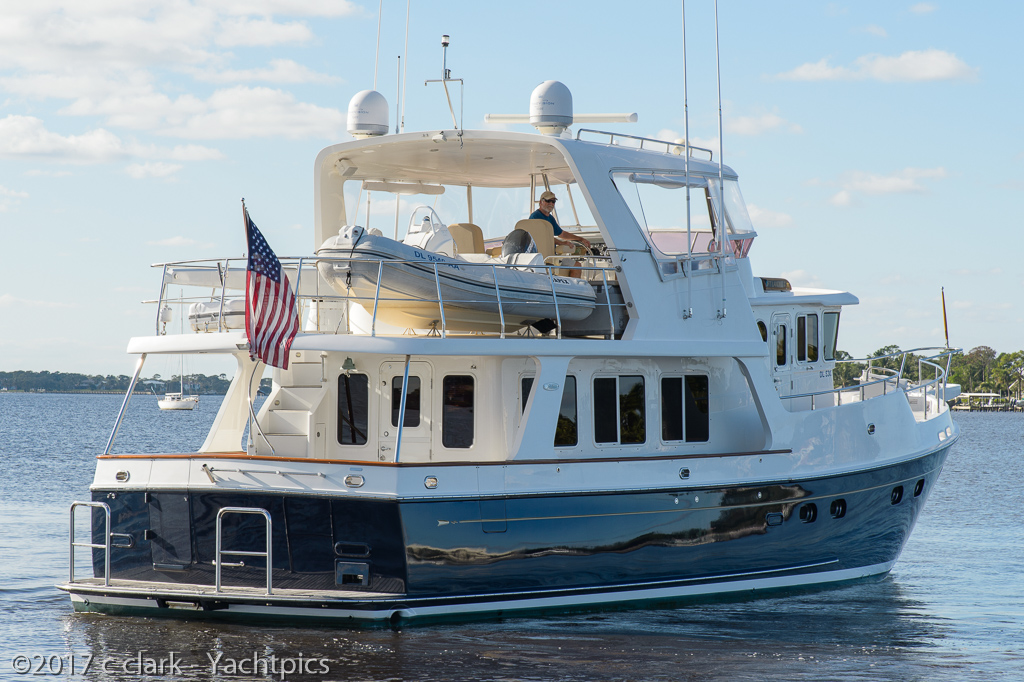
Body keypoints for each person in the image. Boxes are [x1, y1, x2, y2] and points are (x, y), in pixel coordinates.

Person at [529, 191, 590, 277]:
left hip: (552, 256)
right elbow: (542, 237)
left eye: (553, 201)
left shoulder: (550, 218)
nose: (551, 203)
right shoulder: (535, 217)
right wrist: (562, 243)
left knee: (577, 265)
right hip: (541, 257)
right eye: (548, 201)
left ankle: (570, 290)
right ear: (540, 202)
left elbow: (562, 234)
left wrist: (581, 239)